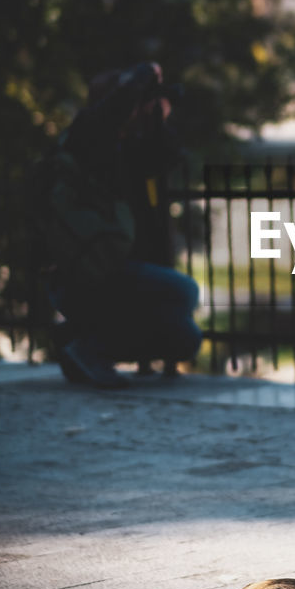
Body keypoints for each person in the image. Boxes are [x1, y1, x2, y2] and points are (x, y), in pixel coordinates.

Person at [39, 62, 203, 389]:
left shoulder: (129, 148)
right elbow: (106, 117)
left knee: (186, 337)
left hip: (115, 273)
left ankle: (80, 343)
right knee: (184, 291)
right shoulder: (87, 137)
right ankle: (90, 347)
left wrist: (156, 116)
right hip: (83, 274)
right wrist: (142, 78)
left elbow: (170, 154)